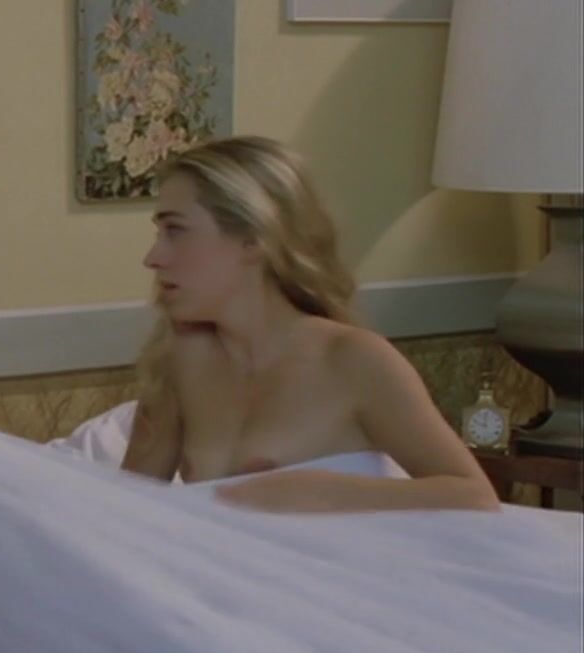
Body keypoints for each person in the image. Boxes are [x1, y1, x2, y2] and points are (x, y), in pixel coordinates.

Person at [120, 135, 500, 513]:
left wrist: (330, 493)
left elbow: (474, 496)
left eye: (175, 231)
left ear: (253, 239)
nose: (153, 257)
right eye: (159, 233)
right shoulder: (182, 361)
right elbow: (125, 509)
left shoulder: (354, 360)